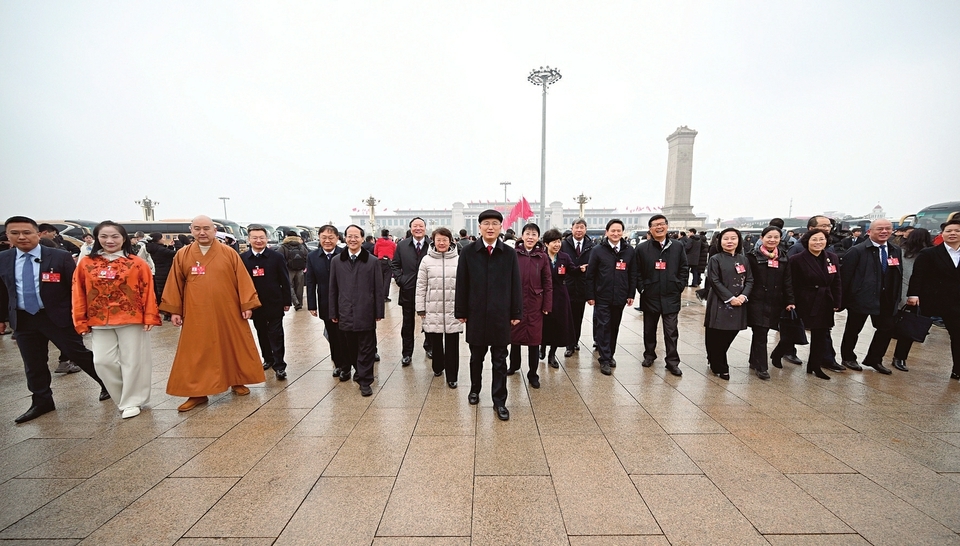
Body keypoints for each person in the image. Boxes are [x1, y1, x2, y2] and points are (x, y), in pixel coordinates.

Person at [0, 216, 110, 423]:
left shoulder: (59, 256)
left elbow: (75, 288)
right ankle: (42, 401)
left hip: (57, 317)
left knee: (77, 353)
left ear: (38, 234)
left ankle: (108, 384)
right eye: (15, 233)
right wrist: (2, 318)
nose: (21, 237)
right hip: (23, 319)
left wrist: (81, 315)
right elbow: (3, 291)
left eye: (27, 232)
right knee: (33, 363)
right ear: (8, 235)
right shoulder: (4, 258)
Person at [159, 215, 266, 412]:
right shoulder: (182, 254)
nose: (202, 232)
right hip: (196, 311)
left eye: (206, 228)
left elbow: (242, 279)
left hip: (228, 309)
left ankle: (237, 379)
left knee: (232, 344)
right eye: (197, 228)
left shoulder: (229, 253)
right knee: (196, 350)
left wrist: (247, 305)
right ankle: (197, 392)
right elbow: (175, 283)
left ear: (214, 231)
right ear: (191, 230)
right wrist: (174, 310)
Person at [72, 221, 160, 419]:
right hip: (99, 319)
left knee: (133, 360)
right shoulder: (86, 263)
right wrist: (80, 319)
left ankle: (132, 401)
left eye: (115, 236)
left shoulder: (137, 263)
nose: (109, 240)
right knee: (102, 361)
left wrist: (150, 315)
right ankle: (122, 397)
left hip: (132, 317)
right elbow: (78, 291)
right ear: (97, 239)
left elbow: (147, 290)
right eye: (104, 236)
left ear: (123, 238)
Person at [455, 209, 522, 421]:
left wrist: (516, 311)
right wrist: (461, 310)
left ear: (501, 227)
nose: (490, 227)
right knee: (476, 357)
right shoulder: (468, 252)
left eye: (494, 223)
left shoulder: (509, 253)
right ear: (480, 227)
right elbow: (462, 283)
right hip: (475, 314)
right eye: (486, 223)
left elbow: (516, 284)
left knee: (500, 360)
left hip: (501, 315)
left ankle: (499, 400)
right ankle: (475, 389)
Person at [839, 219, 902, 375]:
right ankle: (848, 357)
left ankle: (875, 359)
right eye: (880, 229)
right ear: (869, 232)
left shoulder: (895, 250)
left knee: (886, 329)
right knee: (853, 329)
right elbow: (846, 276)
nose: (884, 231)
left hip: (886, 298)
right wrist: (843, 300)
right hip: (861, 297)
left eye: (888, 228)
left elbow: (897, 274)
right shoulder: (857, 250)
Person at [329, 225, 385, 396]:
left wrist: (379, 311)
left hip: (366, 311)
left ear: (362, 239)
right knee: (350, 348)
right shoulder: (337, 261)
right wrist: (333, 312)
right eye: (349, 236)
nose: (353, 239)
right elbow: (333, 288)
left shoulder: (372, 261)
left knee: (367, 349)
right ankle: (359, 371)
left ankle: (365, 381)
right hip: (345, 311)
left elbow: (378, 288)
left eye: (356, 236)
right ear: (344, 238)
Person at [635, 214, 687, 376]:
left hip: (671, 295)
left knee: (671, 331)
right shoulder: (642, 248)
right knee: (649, 329)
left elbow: (684, 268)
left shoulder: (677, 246)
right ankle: (649, 355)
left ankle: (672, 361)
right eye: (655, 225)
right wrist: (642, 288)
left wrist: (679, 285)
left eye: (662, 224)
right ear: (650, 229)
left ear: (667, 226)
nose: (659, 227)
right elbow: (637, 271)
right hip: (650, 294)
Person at [907, 219, 960, 379]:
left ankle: (957, 369)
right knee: (913, 330)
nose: (953, 233)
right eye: (948, 231)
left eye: (957, 231)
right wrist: (913, 295)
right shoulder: (929, 253)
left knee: (957, 335)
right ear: (942, 234)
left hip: (955, 302)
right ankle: (900, 357)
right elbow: (918, 275)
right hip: (931, 298)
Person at [586, 219, 637, 376]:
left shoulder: (629, 251)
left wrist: (631, 294)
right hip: (602, 295)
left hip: (620, 296)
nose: (615, 233)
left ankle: (610, 354)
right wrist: (590, 295)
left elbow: (632, 273)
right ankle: (604, 359)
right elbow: (590, 275)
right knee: (603, 326)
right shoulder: (598, 250)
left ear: (622, 232)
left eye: (618, 231)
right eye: (612, 231)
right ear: (606, 232)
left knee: (614, 326)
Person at [241, 226, 292, 380]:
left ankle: (279, 366)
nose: (258, 240)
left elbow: (285, 280)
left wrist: (287, 300)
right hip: (255, 304)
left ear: (267, 239)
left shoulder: (276, 257)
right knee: (261, 332)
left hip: (274, 303)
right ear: (249, 239)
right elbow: (240, 283)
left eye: (261, 237)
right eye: (255, 238)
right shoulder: (243, 259)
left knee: (276, 334)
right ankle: (268, 359)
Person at [791, 229, 842, 380]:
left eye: (821, 239)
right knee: (794, 332)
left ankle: (815, 365)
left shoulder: (832, 258)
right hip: (804, 300)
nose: (818, 242)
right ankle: (778, 353)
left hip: (825, 300)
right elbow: (791, 283)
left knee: (821, 334)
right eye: (814, 239)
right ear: (807, 241)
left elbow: (837, 281)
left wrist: (837, 301)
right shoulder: (797, 259)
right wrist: (790, 301)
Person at [703, 228, 753, 380]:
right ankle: (720, 365)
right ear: (720, 241)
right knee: (715, 335)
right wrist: (730, 298)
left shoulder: (744, 259)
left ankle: (715, 358)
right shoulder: (715, 259)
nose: (729, 241)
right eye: (726, 239)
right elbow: (714, 280)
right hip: (720, 301)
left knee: (730, 333)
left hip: (740, 302)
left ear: (739, 241)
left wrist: (743, 296)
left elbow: (750, 279)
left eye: (733, 238)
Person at [745, 226, 795, 379]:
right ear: (762, 238)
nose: (772, 240)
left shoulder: (783, 257)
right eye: (769, 237)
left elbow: (787, 281)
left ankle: (754, 360)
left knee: (762, 331)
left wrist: (790, 301)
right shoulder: (752, 256)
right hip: (757, 300)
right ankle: (761, 367)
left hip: (775, 301)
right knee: (761, 332)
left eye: (776, 237)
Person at [507, 223, 552, 388]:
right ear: (522, 236)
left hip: (535, 304)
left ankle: (533, 373)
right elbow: (507, 279)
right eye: (528, 233)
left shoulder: (542, 257)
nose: (530, 237)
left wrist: (547, 304)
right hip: (517, 301)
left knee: (534, 340)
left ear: (538, 237)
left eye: (534, 234)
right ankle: (514, 365)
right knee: (515, 337)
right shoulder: (513, 254)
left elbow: (548, 282)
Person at [415, 227, 462, 388]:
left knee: (452, 343)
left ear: (450, 241)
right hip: (432, 307)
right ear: (433, 241)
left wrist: (464, 308)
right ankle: (438, 366)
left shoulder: (459, 260)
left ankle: (452, 375)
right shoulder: (426, 260)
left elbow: (465, 285)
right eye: (438, 240)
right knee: (435, 340)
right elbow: (421, 285)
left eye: (445, 240)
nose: (441, 243)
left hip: (453, 308)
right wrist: (420, 307)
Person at [889, 228, 933, 371]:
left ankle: (879, 356)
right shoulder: (931, 254)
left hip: (899, 294)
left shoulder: (901, 252)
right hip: (919, 296)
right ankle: (900, 358)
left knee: (889, 326)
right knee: (908, 329)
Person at [306, 225, 345, 377]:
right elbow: (310, 282)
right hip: (325, 302)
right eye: (324, 238)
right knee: (333, 335)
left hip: (344, 300)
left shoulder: (344, 254)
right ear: (319, 238)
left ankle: (349, 362)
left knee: (345, 334)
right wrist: (312, 304)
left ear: (337, 238)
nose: (327, 241)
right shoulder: (312, 256)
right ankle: (338, 364)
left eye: (331, 238)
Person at [392, 217, 432, 365]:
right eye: (415, 226)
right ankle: (407, 353)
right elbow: (395, 264)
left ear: (425, 228)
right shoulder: (402, 245)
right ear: (410, 228)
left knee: (429, 321)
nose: (418, 228)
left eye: (421, 226)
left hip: (428, 291)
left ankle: (430, 347)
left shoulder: (432, 245)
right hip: (408, 290)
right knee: (407, 323)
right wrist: (400, 280)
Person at [560, 218, 594, 357]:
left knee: (578, 317)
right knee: (567, 317)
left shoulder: (591, 246)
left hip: (582, 286)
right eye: (576, 227)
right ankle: (569, 344)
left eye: (581, 227)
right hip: (566, 285)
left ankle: (575, 341)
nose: (579, 230)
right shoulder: (563, 244)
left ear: (585, 229)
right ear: (572, 229)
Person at [541, 228, 575, 369]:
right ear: (546, 243)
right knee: (544, 324)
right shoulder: (541, 256)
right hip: (544, 295)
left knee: (557, 325)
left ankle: (552, 354)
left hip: (560, 295)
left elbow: (572, 270)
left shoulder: (564, 257)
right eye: (554, 242)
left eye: (559, 241)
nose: (557, 244)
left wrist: (581, 269)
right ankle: (542, 347)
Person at [143, 232, 176, 311]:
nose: (164, 239)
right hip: (165, 272)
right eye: (162, 238)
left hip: (159, 272)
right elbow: (175, 253)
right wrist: (177, 243)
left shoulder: (154, 248)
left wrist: (170, 247)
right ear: (158, 239)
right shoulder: (160, 249)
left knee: (162, 291)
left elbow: (167, 255)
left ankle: (164, 310)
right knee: (167, 292)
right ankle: (166, 310)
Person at [278, 230, 309, 311]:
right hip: (300, 269)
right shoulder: (301, 246)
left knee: (289, 286)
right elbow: (307, 256)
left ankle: (295, 302)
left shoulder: (283, 247)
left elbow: (279, 258)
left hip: (288, 269)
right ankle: (300, 303)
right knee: (299, 287)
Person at [373, 228, 397, 302]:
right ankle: (385, 296)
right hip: (388, 262)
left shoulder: (378, 242)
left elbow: (375, 253)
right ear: (388, 234)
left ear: (381, 234)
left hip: (380, 261)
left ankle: (379, 296)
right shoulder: (392, 243)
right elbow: (395, 253)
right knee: (387, 280)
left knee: (380, 279)